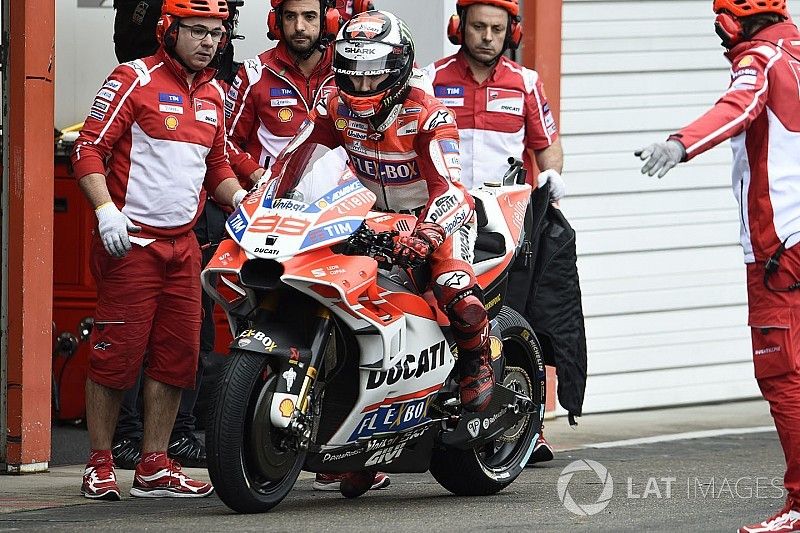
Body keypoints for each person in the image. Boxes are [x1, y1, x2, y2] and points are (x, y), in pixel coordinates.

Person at [271, 9, 496, 497]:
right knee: (341, 304)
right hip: (366, 217)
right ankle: (360, 442)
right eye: (353, 71)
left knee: (455, 290)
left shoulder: (430, 115)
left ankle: (479, 359)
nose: (362, 83)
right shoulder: (333, 101)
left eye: (373, 73)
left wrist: (431, 232)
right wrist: (267, 202)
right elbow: (298, 156)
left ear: (398, 69)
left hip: (435, 217)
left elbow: (451, 189)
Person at [72, 0, 247, 500]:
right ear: (168, 29)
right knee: (115, 358)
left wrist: (243, 202)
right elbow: (88, 149)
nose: (209, 41)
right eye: (197, 30)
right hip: (131, 245)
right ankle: (100, 464)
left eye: (217, 32)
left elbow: (217, 168)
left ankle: (154, 463)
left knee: (177, 360)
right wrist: (105, 211)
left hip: (185, 247)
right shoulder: (133, 77)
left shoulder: (215, 93)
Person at [636, 1, 800, 530]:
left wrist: (680, 144)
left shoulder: (759, 58)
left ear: (730, 21)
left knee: (783, 376)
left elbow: (738, 106)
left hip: (779, 248)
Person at [224, 0, 389, 493]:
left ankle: (363, 445)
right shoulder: (253, 72)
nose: (301, 26)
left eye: (310, 17)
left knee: (357, 315)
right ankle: (241, 428)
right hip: (278, 212)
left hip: (352, 214)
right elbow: (226, 140)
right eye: (291, 17)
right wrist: (256, 178)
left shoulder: (355, 66)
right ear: (277, 21)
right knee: (256, 308)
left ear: (327, 21)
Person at [423, 0, 563, 465]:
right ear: (458, 27)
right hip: (445, 215)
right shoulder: (429, 78)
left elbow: (548, 148)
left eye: (496, 28)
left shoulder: (525, 83)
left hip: (507, 219)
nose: (486, 36)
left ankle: (529, 426)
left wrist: (553, 181)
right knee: (444, 312)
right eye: (478, 26)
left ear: (512, 33)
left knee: (518, 321)